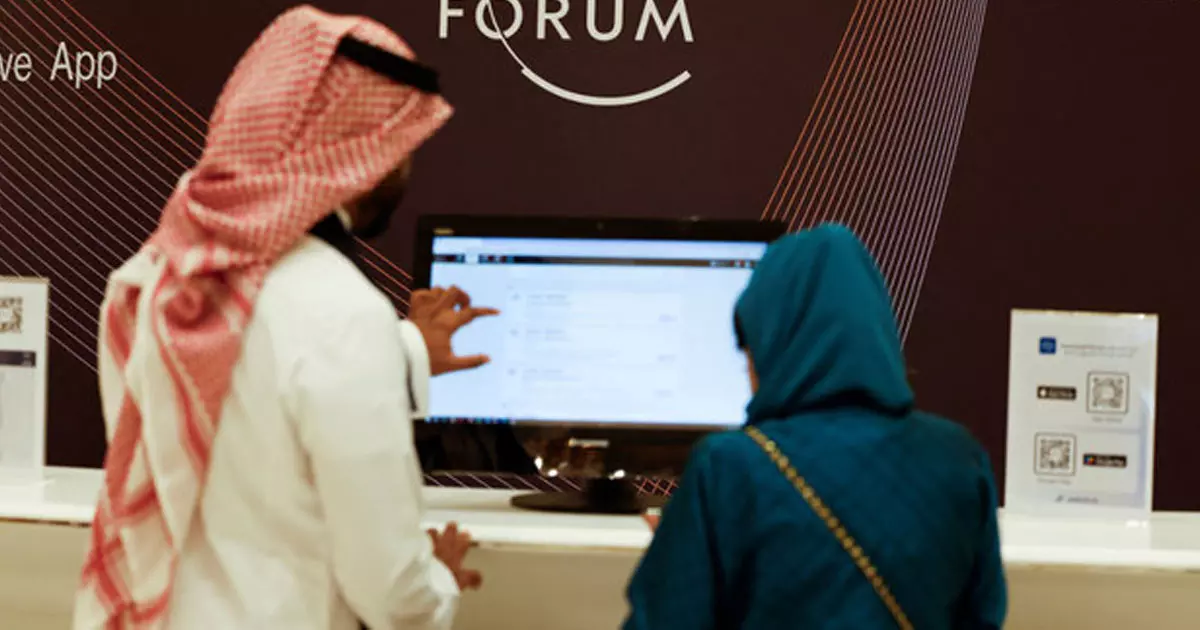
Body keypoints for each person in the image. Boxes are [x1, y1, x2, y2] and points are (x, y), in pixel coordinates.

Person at [73, 7, 495, 629]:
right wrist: (438, 583)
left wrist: (405, 349)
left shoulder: (148, 281)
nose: (403, 163)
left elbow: (237, 417)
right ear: (360, 154)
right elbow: (388, 590)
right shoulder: (342, 311)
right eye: (400, 143)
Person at [624, 225, 1007, 629]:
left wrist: (680, 550)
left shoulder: (729, 468)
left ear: (774, 343)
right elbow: (982, 616)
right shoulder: (959, 460)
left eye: (749, 349)